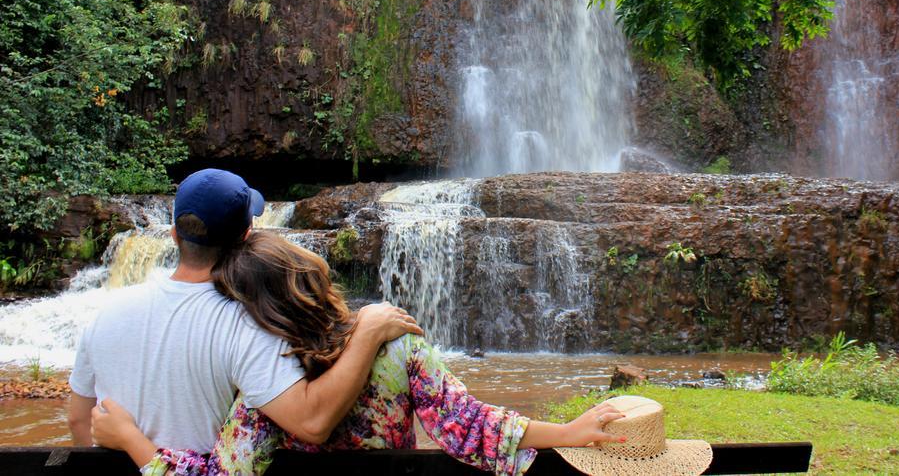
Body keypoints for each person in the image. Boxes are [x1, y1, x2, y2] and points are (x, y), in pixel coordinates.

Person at [91, 231, 629, 475]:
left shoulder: (269, 390)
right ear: (310, 278)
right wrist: (567, 432)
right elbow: (466, 423)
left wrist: (131, 440)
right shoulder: (398, 345)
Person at [68, 169, 421, 456]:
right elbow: (312, 422)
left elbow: (78, 421)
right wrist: (368, 331)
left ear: (174, 235)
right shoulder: (246, 322)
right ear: (246, 237)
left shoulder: (105, 314)